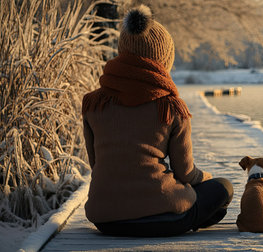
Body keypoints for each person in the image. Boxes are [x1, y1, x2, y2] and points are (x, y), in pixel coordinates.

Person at [81, 5, 233, 237]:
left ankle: (196, 215)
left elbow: (97, 165)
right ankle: (194, 217)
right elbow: (186, 174)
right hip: (164, 217)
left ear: (122, 50)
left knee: (205, 199)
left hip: (106, 219)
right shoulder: (171, 107)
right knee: (223, 188)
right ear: (163, 60)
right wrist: (206, 178)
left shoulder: (93, 103)